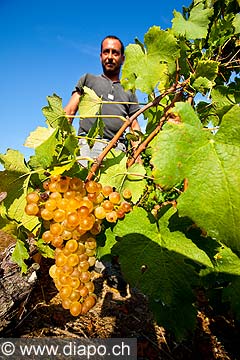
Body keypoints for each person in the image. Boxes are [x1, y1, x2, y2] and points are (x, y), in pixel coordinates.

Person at [64, 35, 141, 166]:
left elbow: (134, 126)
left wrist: (137, 157)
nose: (110, 57)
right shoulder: (88, 79)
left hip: (116, 151)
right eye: (106, 52)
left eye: (115, 53)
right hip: (85, 147)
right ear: (101, 56)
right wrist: (60, 144)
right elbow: (69, 111)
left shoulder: (129, 90)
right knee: (81, 186)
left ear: (122, 59)